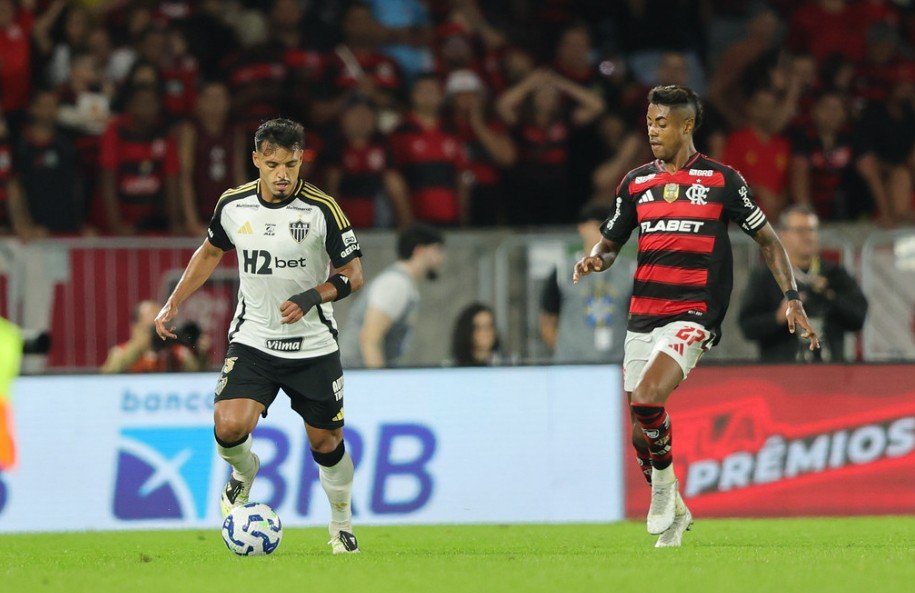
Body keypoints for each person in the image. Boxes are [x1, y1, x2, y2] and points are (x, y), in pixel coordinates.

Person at [573, 85, 820, 548]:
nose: (652, 130)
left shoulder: (722, 180)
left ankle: (665, 492)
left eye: (661, 123)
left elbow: (769, 240)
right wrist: (594, 258)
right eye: (649, 121)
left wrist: (792, 296)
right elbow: (611, 243)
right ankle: (678, 510)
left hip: (694, 313)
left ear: (687, 126)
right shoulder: (635, 183)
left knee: (648, 398)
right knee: (638, 436)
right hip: (643, 314)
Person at [154, 118, 365, 554]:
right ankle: (244, 472)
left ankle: (341, 523)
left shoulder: (322, 209)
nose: (282, 174)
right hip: (253, 339)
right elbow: (210, 251)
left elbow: (353, 275)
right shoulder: (233, 205)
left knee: (326, 443)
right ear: (256, 161)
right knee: (229, 426)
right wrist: (175, 301)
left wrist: (313, 295)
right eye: (272, 164)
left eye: (290, 163)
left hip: (313, 346)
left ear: (302, 158)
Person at [739, 205, 867, 362]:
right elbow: (747, 327)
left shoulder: (834, 274)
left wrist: (829, 296)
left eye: (812, 230)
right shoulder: (766, 276)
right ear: (782, 235)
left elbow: (858, 318)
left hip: (830, 373)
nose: (808, 236)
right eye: (800, 230)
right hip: (781, 374)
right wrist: (777, 318)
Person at [340, 223, 444, 369]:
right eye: (437, 250)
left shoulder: (402, 283)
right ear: (419, 251)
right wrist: (380, 383)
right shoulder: (396, 284)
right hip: (357, 375)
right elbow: (370, 338)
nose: (441, 258)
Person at [540, 202, 631, 364]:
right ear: (582, 228)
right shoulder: (563, 270)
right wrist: (565, 353)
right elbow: (547, 319)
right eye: (597, 226)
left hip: (617, 362)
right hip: (573, 363)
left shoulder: (629, 271)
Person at [388, 75, 469, 225]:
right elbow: (393, 179)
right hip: (417, 220)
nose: (427, 96)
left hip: (451, 218)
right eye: (422, 91)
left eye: (432, 91)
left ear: (441, 96)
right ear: (412, 95)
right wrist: (406, 220)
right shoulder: (401, 132)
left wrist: (463, 217)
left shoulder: (452, 131)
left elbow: (462, 176)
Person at [176, 81, 246, 236]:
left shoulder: (235, 132)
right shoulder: (190, 130)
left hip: (227, 211)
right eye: (210, 98)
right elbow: (185, 176)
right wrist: (192, 222)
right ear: (199, 102)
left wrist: (243, 217)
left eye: (220, 98)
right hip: (199, 211)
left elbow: (238, 174)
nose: (215, 105)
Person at [101, 300, 207, 373]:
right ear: (136, 328)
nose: (158, 332)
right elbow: (106, 377)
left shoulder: (175, 353)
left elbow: (198, 373)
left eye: (161, 326)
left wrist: (199, 352)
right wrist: (139, 347)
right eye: (153, 328)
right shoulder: (121, 352)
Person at [450, 302, 501, 367]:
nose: (486, 332)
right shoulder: (453, 369)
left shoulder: (507, 368)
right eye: (478, 327)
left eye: (490, 326)